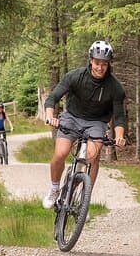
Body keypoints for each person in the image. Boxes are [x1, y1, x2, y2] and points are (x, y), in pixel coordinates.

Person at [42, 40, 127, 209]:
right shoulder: (75, 76)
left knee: (92, 157)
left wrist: (119, 136)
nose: (100, 68)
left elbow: (118, 117)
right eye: (97, 63)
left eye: (104, 64)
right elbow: (52, 98)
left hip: (96, 122)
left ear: (109, 64)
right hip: (72, 117)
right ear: (90, 60)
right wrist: (50, 116)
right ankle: (54, 189)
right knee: (61, 153)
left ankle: (83, 202)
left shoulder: (115, 87)